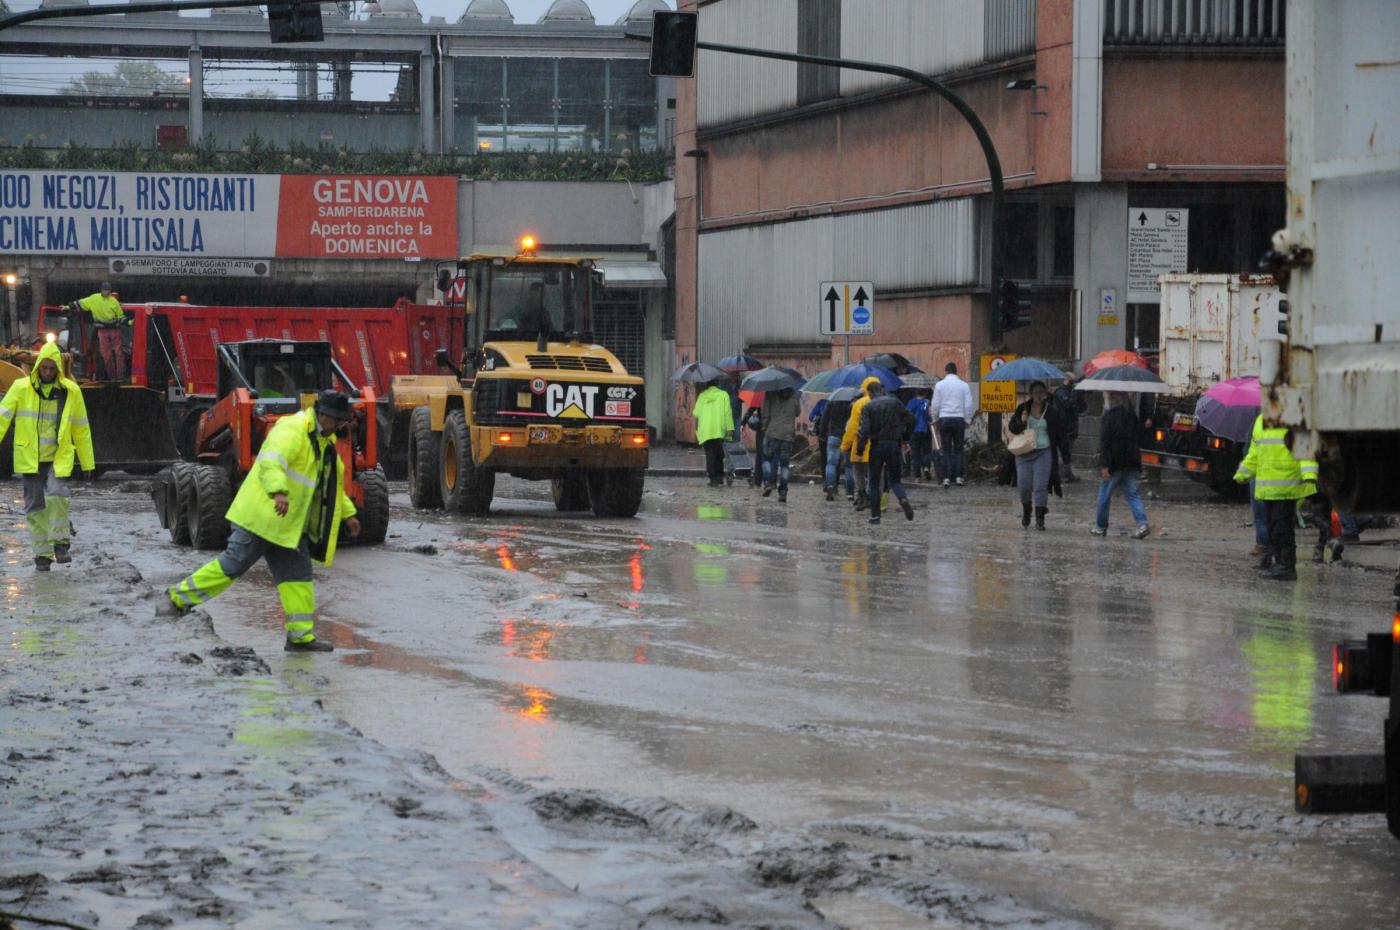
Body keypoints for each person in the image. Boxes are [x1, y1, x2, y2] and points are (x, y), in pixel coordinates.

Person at [155, 391, 362, 651]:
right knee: (233, 564)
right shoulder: (292, 429)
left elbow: (332, 488)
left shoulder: (323, 444)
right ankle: (175, 599)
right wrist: (278, 492)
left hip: (288, 526)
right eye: (338, 420)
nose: (341, 426)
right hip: (260, 517)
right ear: (324, 416)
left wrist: (349, 514)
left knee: (298, 578)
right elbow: (270, 462)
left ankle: (300, 637)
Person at [0, 341, 95, 571]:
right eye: (45, 368)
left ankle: (61, 543)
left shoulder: (71, 392)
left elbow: (81, 428)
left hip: (57, 457)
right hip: (30, 457)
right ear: (38, 367)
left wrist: (87, 461)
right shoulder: (21, 388)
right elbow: (2, 417)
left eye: (53, 369)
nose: (48, 373)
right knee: (35, 506)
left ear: (59, 370)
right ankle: (42, 556)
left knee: (57, 493)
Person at [1233, 414, 1317, 581]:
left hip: (1286, 485)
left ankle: (1287, 566)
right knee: (1273, 527)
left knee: (1282, 528)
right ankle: (1279, 563)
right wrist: (1243, 474)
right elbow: (1254, 454)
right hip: (1268, 487)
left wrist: (1309, 473)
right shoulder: (1260, 421)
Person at [1007, 380, 1067, 530]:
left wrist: (1066, 456)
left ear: (1045, 394)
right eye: (1036, 392)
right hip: (1024, 452)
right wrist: (1022, 421)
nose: (1039, 395)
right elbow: (1013, 428)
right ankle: (1027, 510)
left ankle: (1040, 518)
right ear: (1031, 394)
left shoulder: (1052, 411)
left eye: (1042, 392)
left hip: (1044, 452)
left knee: (1041, 486)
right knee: (1024, 485)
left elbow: (1060, 434)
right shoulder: (1023, 408)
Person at [1090, 392, 1150, 539]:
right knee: (1132, 494)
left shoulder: (1108, 418)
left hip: (1114, 464)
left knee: (1104, 495)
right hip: (1131, 462)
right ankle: (1142, 524)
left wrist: (1104, 465)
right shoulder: (1132, 417)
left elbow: (1105, 443)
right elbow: (1139, 438)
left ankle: (1100, 526)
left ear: (1113, 399)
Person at [856, 382, 916, 524]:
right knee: (895, 480)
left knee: (874, 483)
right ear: (881, 390)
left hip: (876, 447)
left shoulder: (868, 407)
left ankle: (875, 516)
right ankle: (902, 498)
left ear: (869, 393)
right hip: (894, 445)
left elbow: (864, 431)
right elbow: (912, 419)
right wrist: (906, 438)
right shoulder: (895, 403)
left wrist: (860, 449)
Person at [71, 281, 129, 380]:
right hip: (106, 331)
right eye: (105, 290)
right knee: (109, 356)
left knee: (116, 354)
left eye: (108, 290)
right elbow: (80, 303)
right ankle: (114, 377)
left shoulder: (113, 302)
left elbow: (120, 317)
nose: (106, 292)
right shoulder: (95, 299)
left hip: (110, 330)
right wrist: (69, 306)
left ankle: (118, 377)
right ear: (101, 290)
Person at [840, 376, 882, 511]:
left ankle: (862, 495)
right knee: (876, 474)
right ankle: (875, 498)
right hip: (878, 445)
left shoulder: (859, 403)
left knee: (858, 471)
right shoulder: (884, 402)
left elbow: (852, 426)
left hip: (861, 445)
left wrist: (845, 445)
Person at [931, 362, 974, 487]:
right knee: (959, 449)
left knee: (946, 449)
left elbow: (935, 404)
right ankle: (959, 477)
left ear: (946, 371)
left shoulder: (939, 385)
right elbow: (968, 404)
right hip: (959, 418)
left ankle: (946, 478)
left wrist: (935, 418)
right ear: (956, 372)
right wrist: (967, 419)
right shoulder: (964, 385)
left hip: (944, 418)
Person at [760, 386, 800, 502]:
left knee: (767, 459)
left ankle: (768, 482)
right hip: (788, 435)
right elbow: (797, 413)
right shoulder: (794, 394)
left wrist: (764, 426)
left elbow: (765, 413)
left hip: (772, 432)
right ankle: (783, 491)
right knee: (784, 464)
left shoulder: (770, 393)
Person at [693, 379, 734, 487]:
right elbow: (727, 413)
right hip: (719, 430)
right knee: (719, 455)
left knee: (709, 455)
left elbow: (696, 413)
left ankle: (712, 478)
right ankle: (720, 478)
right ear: (717, 384)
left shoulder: (702, 396)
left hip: (705, 430)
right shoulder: (723, 395)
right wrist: (730, 428)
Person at [819, 391, 854, 501]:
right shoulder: (853, 402)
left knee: (831, 463)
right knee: (849, 465)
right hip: (847, 435)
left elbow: (824, 419)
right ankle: (850, 492)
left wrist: (822, 434)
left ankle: (830, 486)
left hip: (833, 435)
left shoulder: (832, 401)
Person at [1052, 373, 1087, 482]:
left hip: (1071, 427)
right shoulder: (1060, 392)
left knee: (1069, 451)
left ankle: (1067, 473)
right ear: (1065, 380)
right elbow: (1068, 404)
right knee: (1063, 451)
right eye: (1072, 381)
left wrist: (1081, 396)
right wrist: (1076, 394)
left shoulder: (1071, 392)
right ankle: (1061, 475)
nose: (1073, 383)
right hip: (1062, 428)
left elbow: (1080, 408)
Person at [906, 388, 933, 480]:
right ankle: (926, 467)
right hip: (925, 429)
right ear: (925, 393)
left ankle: (917, 476)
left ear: (915, 392)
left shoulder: (911, 402)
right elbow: (929, 416)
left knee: (916, 453)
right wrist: (930, 420)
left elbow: (907, 415)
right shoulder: (927, 402)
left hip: (914, 430)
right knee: (926, 451)